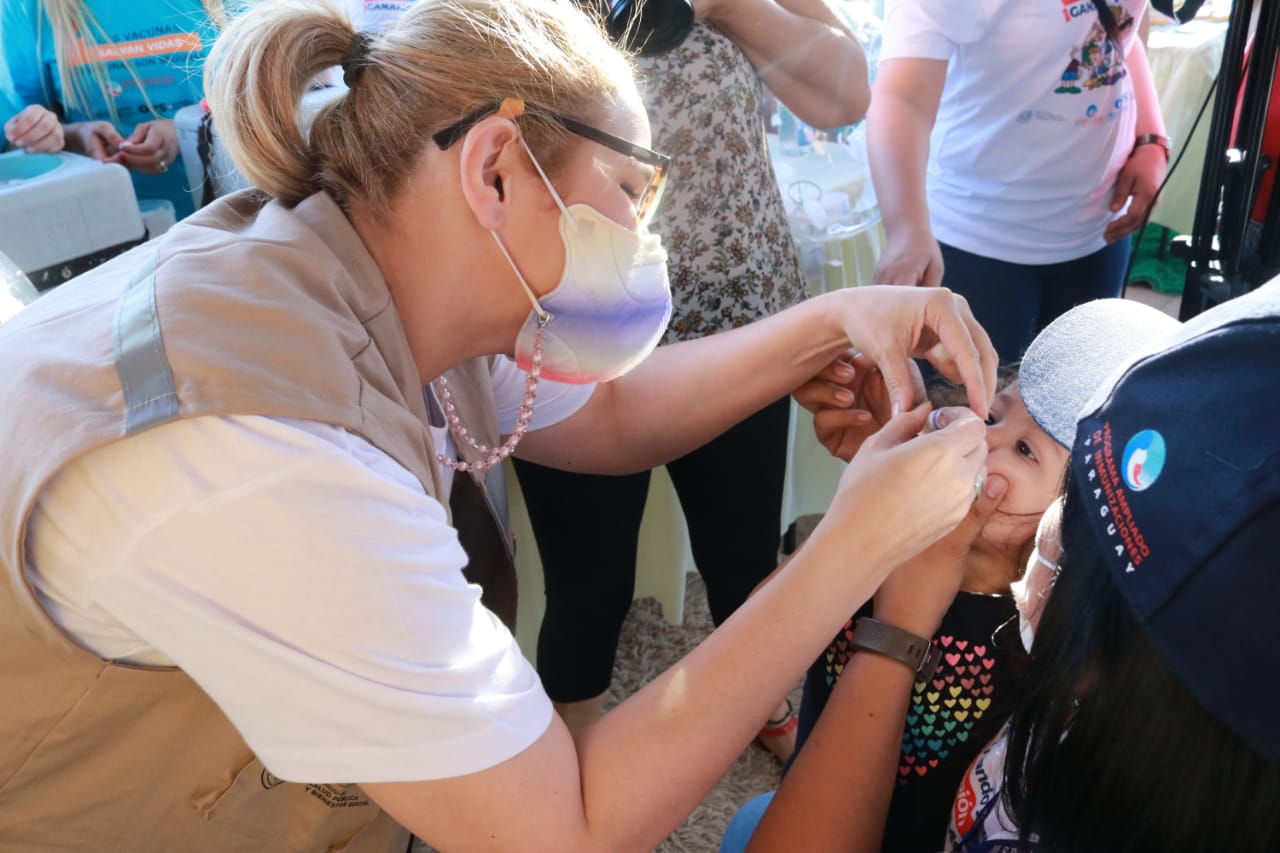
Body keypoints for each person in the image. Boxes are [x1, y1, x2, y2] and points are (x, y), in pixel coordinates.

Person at [0, 2, 1002, 851]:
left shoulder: (375, 265)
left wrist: (834, 319)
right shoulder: (264, 459)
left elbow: (614, 413)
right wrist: (855, 541)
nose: (643, 242)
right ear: (492, 172)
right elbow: (561, 822)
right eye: (628, 194)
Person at [737, 282, 1280, 852]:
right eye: (993, 413)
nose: (981, 437)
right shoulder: (890, 539)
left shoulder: (1044, 653)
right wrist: (859, 511)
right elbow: (752, 645)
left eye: (1026, 451)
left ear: (1076, 537)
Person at [511, 0, 870, 761]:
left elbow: (845, 96)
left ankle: (763, 700)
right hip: (576, 317)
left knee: (742, 556)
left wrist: (726, 7)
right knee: (588, 584)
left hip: (732, 310)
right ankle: (564, 771)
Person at [868, 0, 1169, 362]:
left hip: (1098, 230)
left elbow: (1121, 28)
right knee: (971, 410)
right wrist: (906, 228)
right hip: (979, 242)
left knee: (1075, 405)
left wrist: (1151, 138)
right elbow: (901, 97)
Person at [0, 0, 227, 220]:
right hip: (106, 227)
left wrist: (188, 131)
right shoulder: (27, 6)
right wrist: (76, 136)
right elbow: (24, 131)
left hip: (234, 217)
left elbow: (257, 98)